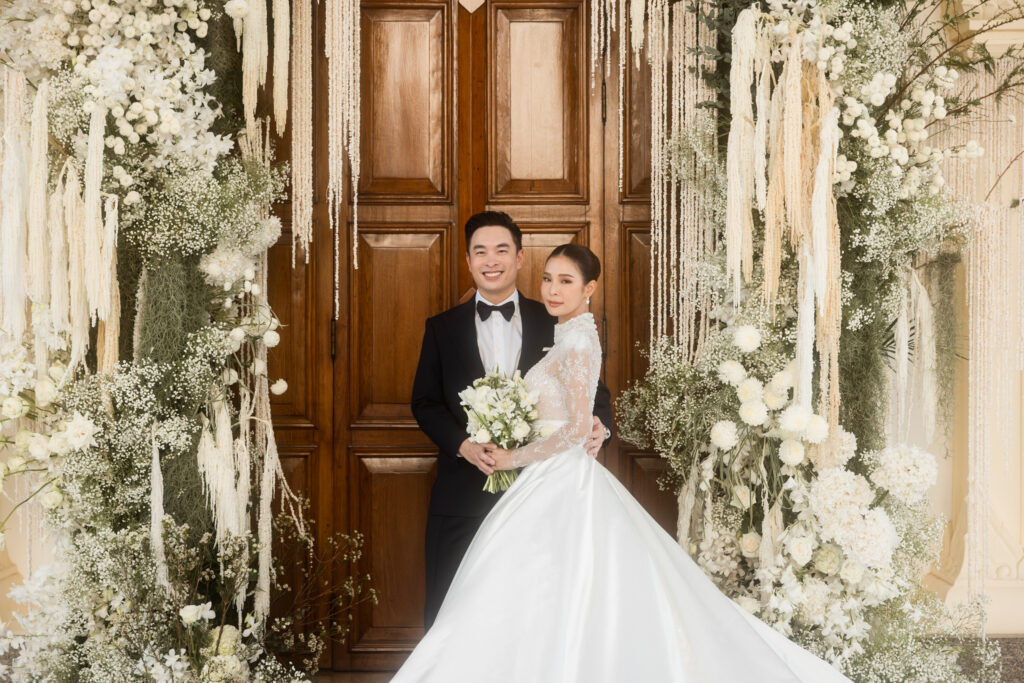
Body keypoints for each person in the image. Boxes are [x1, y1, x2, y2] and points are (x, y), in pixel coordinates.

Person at [394, 244, 851, 682]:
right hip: (548, 477)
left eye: (566, 281)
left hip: (559, 479)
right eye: (548, 279)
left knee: (555, 586)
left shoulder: (577, 342)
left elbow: (576, 429)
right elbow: (569, 415)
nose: (553, 289)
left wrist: (513, 455)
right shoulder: (568, 334)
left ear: (589, 288)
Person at [411, 212, 614, 630]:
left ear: (519, 258)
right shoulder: (441, 328)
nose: (491, 260)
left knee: (530, 619)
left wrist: (601, 426)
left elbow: (595, 392)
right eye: (480, 252)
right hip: (462, 498)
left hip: (540, 495)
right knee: (452, 618)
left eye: (501, 250)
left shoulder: (556, 318)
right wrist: (465, 447)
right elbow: (425, 403)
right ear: (468, 261)